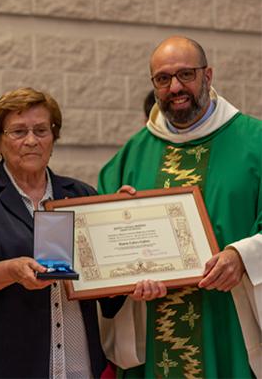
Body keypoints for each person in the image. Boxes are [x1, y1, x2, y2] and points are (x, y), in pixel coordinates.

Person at [98, 36, 262, 378]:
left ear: (208, 75)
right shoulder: (132, 154)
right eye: (163, 78)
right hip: (155, 321)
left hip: (229, 320)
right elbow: (102, 248)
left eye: (186, 74)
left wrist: (242, 256)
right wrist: (124, 253)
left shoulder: (254, 142)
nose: (175, 86)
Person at [0, 88, 128, 378]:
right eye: (18, 131)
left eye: (41, 130)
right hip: (7, 365)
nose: (31, 140)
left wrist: (126, 235)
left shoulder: (80, 195)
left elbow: (105, 286)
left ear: (54, 138)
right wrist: (10, 271)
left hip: (79, 364)